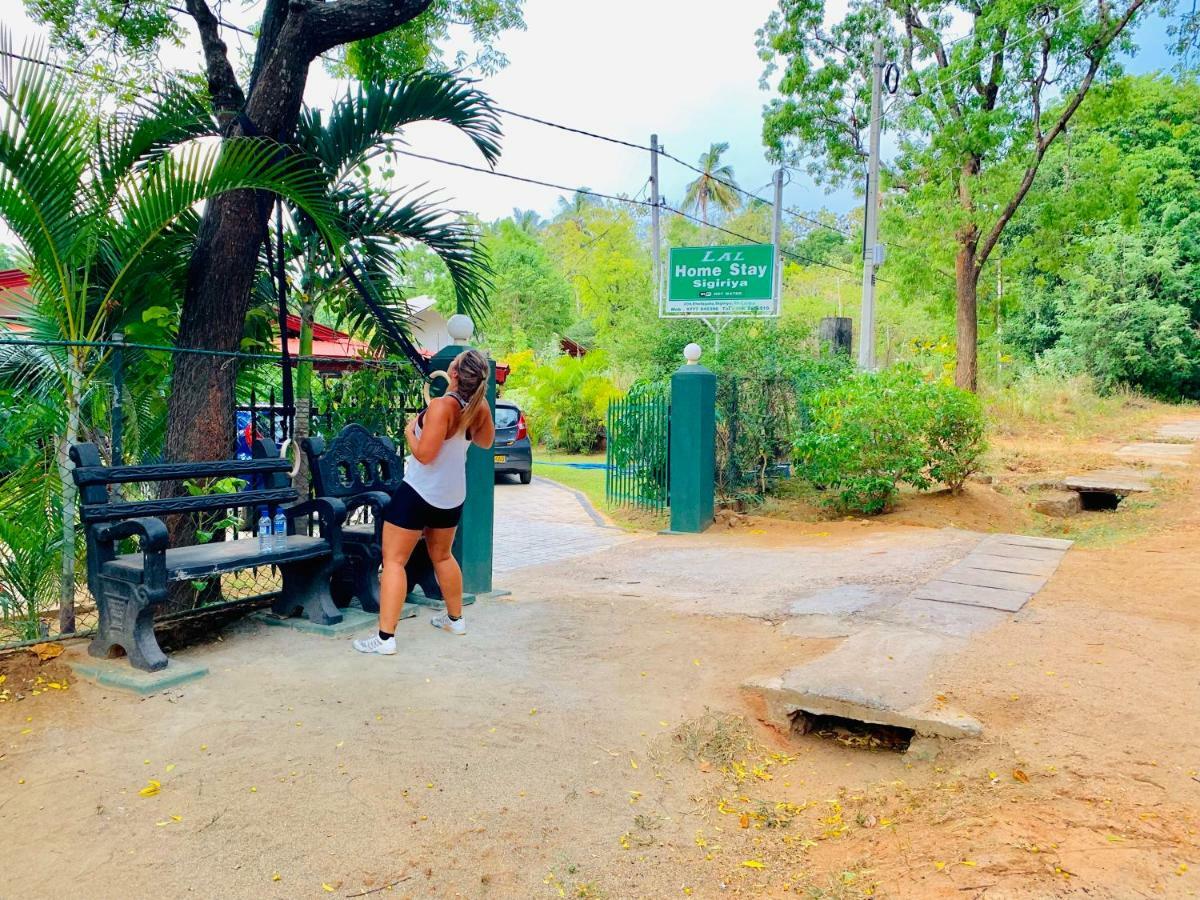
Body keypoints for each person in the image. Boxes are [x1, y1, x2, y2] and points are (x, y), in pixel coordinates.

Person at [353, 349, 495, 655]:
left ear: (454, 374)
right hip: (451, 495)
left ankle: (385, 639)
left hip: (419, 491)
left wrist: (409, 433)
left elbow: (425, 456)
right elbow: (485, 442)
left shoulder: (443, 406)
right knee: (442, 556)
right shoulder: (478, 406)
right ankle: (455, 619)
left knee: (393, 560)